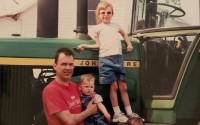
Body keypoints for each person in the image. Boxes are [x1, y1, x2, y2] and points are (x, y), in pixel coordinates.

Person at [77, 0, 139, 123]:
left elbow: (125, 34)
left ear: (112, 14)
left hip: (118, 59)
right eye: (103, 12)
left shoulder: (115, 25)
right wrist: (85, 45)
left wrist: (129, 44)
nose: (106, 15)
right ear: (99, 14)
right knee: (114, 86)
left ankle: (130, 113)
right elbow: (98, 45)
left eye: (108, 12)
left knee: (124, 87)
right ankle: (117, 113)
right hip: (106, 59)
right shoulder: (97, 28)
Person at [42, 47, 97, 125]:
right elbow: (69, 121)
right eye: (64, 64)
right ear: (55, 66)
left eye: (71, 64)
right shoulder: (51, 90)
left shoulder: (75, 86)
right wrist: (89, 112)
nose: (68, 68)